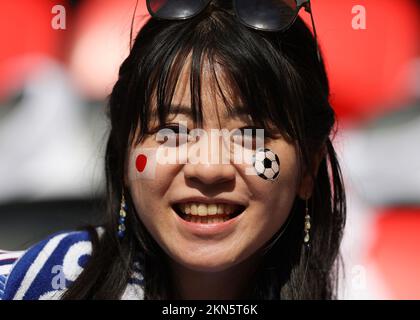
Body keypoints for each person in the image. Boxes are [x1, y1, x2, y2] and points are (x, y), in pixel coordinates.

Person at [0, 0, 346, 300]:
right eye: (171, 132)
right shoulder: (29, 286)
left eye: (249, 134)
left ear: (308, 169)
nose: (208, 169)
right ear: (124, 155)